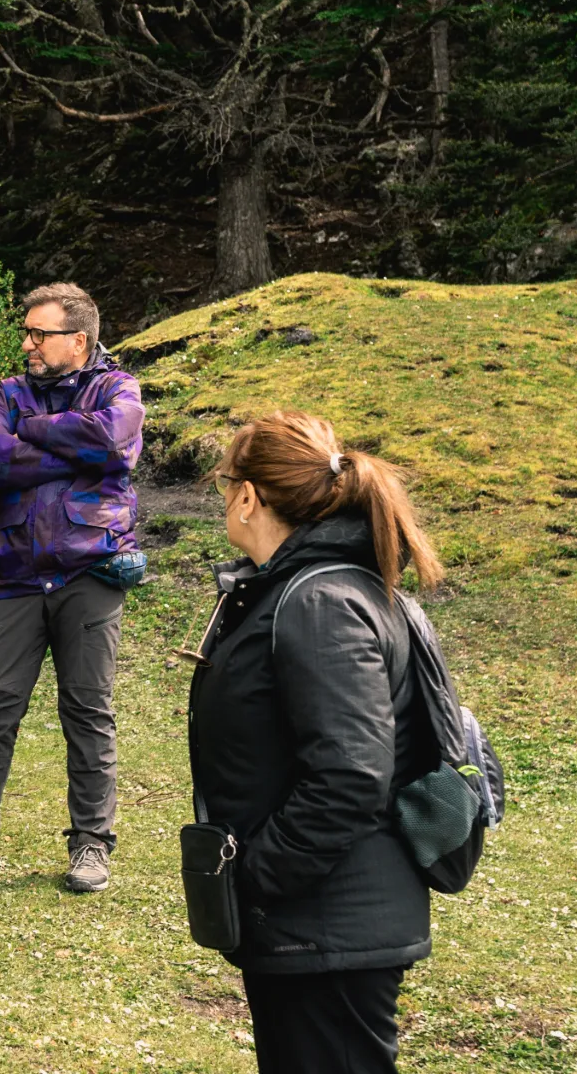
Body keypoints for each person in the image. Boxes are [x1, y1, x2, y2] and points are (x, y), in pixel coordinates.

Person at [187, 410, 446, 1074]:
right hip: (314, 924)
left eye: (225, 486)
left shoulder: (320, 602)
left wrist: (253, 877)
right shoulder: (320, 588)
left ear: (248, 495)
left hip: (328, 925)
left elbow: (352, 777)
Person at [0, 283, 144, 896]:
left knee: (87, 712)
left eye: (38, 334)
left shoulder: (118, 389)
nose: (27, 344)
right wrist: (78, 449)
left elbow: (112, 443)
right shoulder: (7, 394)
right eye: (26, 333)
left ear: (79, 339)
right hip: (17, 574)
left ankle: (91, 845)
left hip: (89, 572)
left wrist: (41, 430)